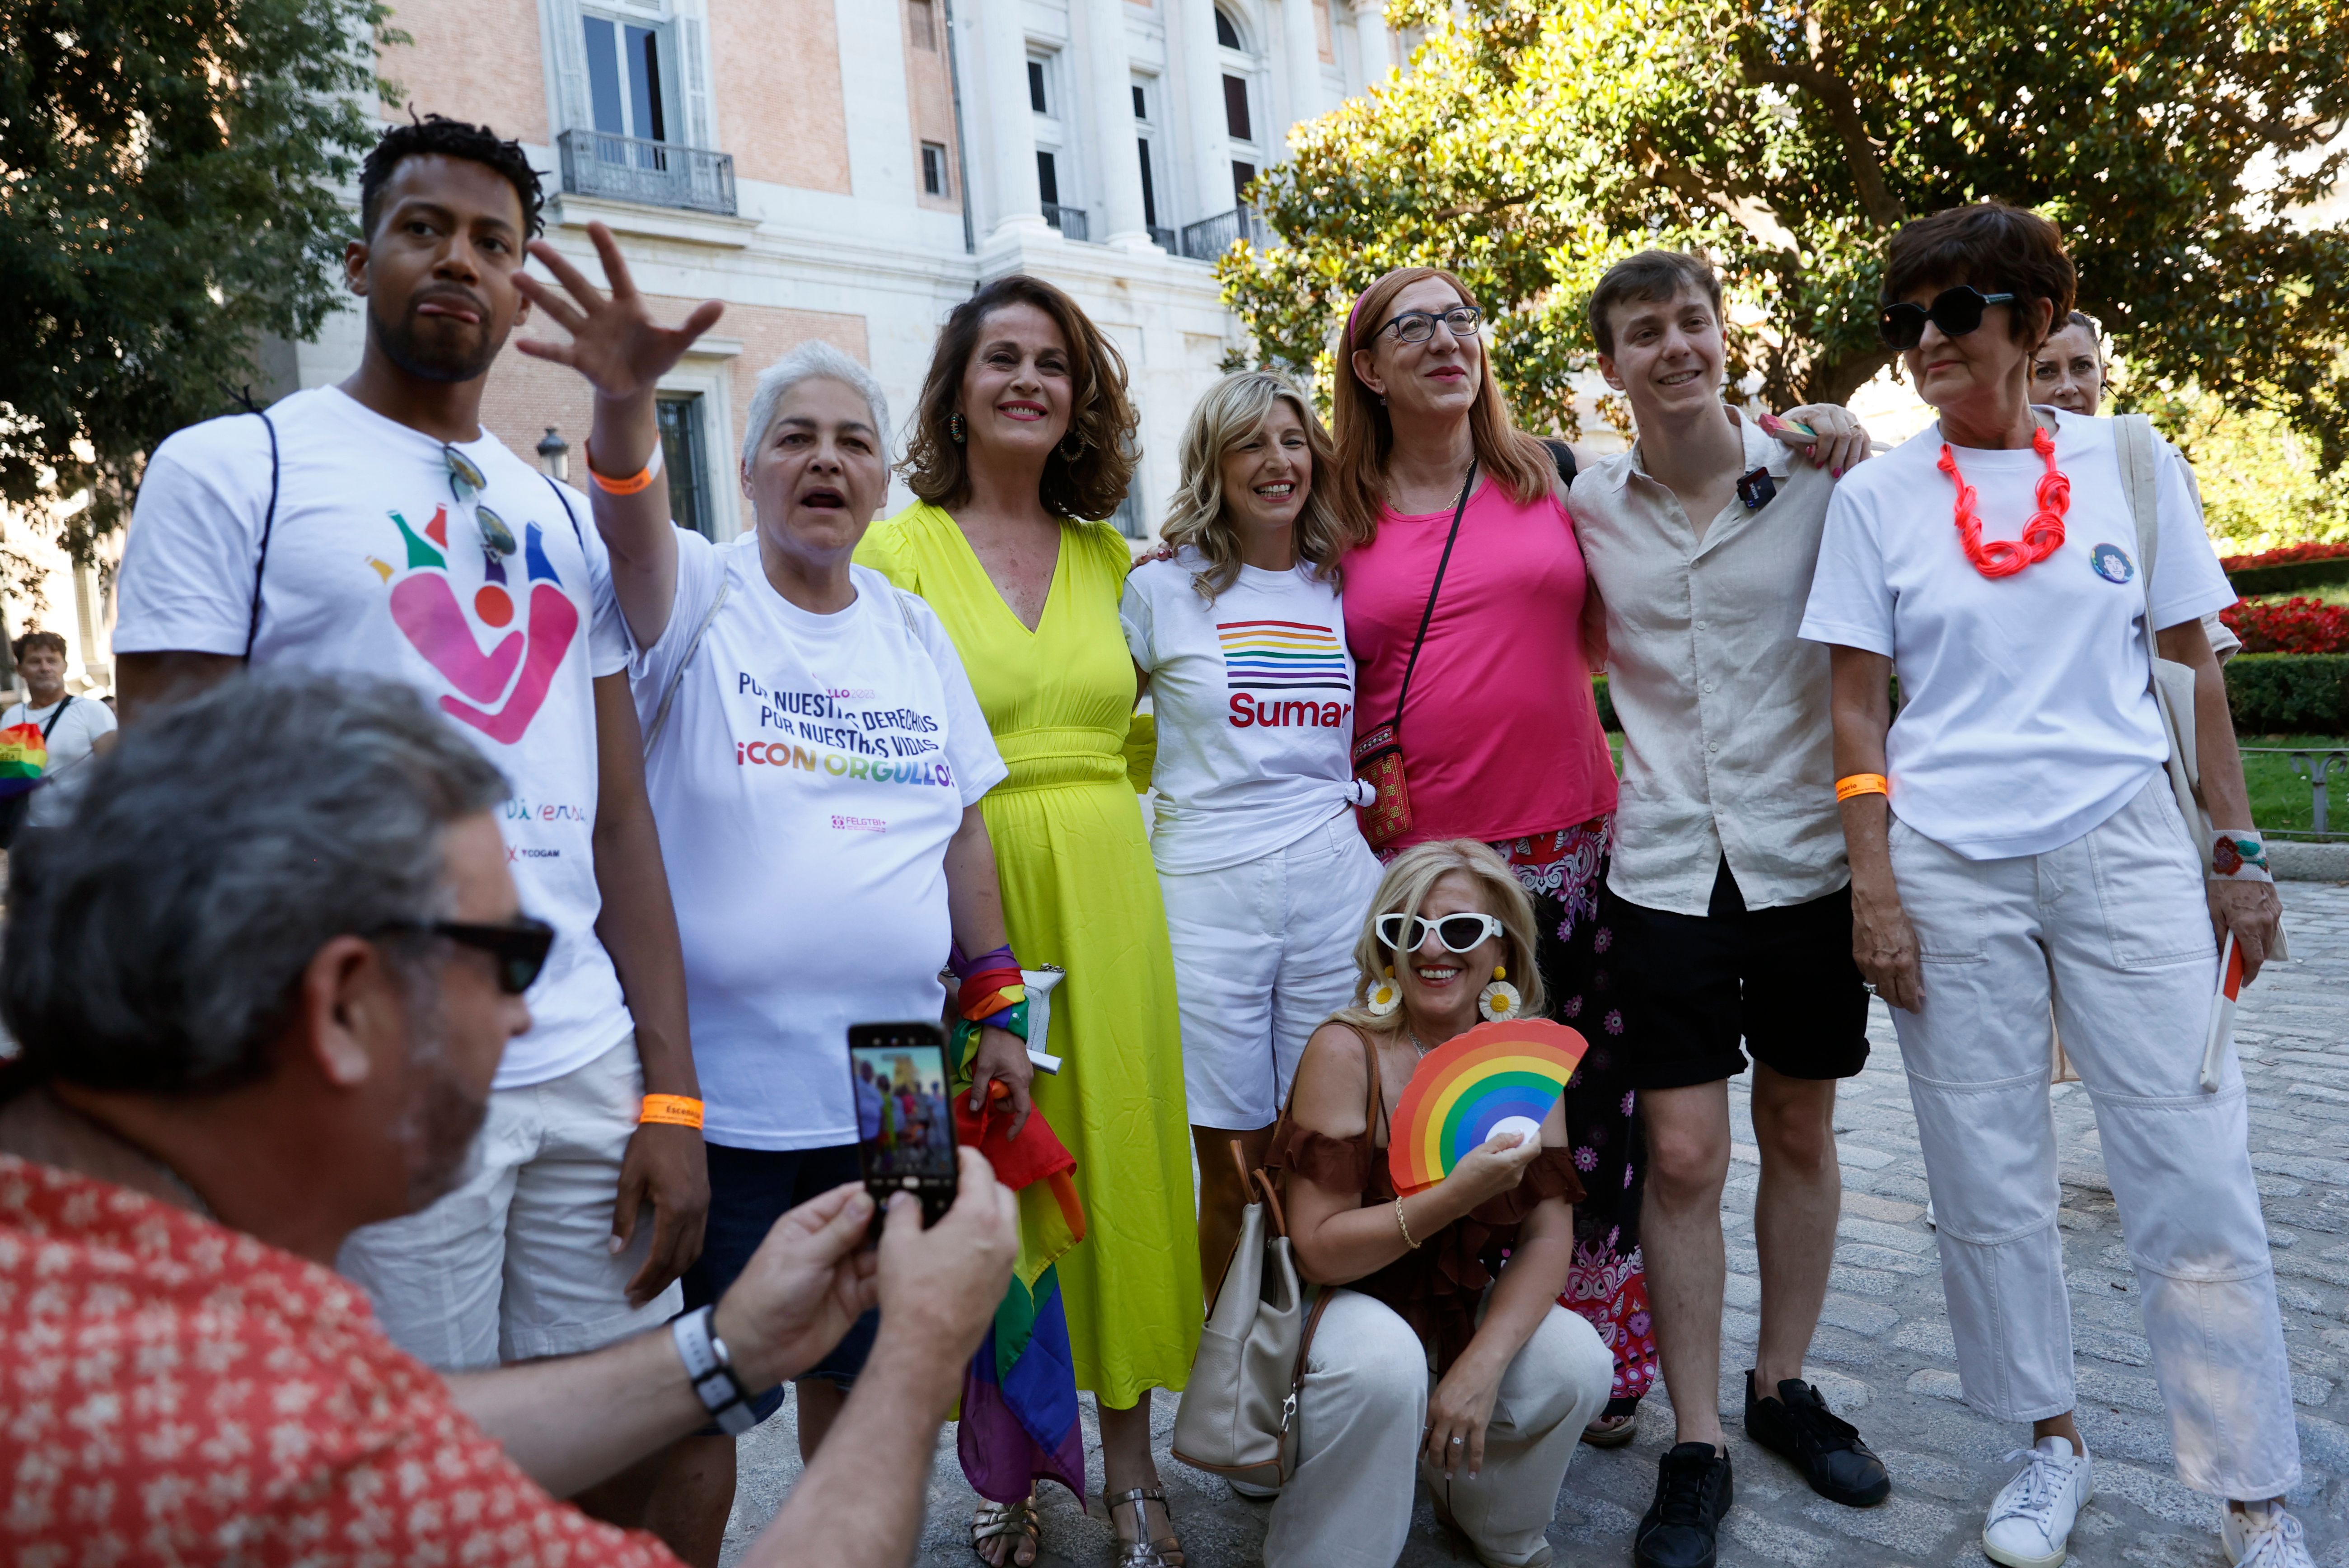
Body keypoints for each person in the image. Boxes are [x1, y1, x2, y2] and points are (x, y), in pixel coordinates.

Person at [0, 670, 1019, 1568]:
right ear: (345, 1006)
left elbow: (389, 1424)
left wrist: (731, 1346)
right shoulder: (211, 1429)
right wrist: (916, 1351)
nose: (524, 1015)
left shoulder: (104, 1264)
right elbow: (335, 1454)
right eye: (510, 960)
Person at [108, 116, 708, 1537]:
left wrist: (672, 1096)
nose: (458, 261)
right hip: (372, 1065)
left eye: (493, 243)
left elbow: (621, 821)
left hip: (582, 1061)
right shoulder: (235, 468)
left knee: (630, 1447)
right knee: (400, 1474)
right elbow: (174, 810)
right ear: (357, 256)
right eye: (424, 229)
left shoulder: (559, 510)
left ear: (520, 285)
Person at [1802, 201, 2312, 1568]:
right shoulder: (1872, 499)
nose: (1923, 341)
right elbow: (1853, 708)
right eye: (1902, 321)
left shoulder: (2130, 461)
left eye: (1951, 312)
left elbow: (2191, 670)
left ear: (2030, 320)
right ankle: (2048, 1442)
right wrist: (1871, 886)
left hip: (2120, 841)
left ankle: (2251, 1489)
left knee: (2190, 1163)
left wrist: (2237, 855)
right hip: (1944, 865)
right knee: (1983, 1170)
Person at [514, 237, 1033, 1559]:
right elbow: (628, 507)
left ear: (882, 479)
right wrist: (624, 403)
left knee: (876, 1372)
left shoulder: (910, 628)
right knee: (700, 1395)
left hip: (897, 1078)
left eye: (852, 443)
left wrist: (996, 1003)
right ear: (746, 473)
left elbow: (961, 824)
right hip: (721, 1095)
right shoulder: (697, 591)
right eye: (793, 438)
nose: (824, 461)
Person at [857, 274, 1201, 1567]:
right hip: (949, 898)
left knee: (1115, 1167)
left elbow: (1178, 731)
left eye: (1051, 363)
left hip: (1107, 900)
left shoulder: (1123, 565)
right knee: (954, 1178)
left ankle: (1130, 1463)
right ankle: (997, 1466)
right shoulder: (893, 555)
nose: (1027, 381)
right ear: (956, 391)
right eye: (1000, 358)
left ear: (1079, 397)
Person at [1568, 250, 1890, 1566]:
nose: (1672, 348)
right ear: (1609, 365)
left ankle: (1780, 1384)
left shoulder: (1819, 476)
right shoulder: (1585, 502)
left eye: (1689, 322)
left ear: (1721, 334)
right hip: (1660, 869)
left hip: (1803, 858)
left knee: (1798, 1125)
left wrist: (1842, 428)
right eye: (1642, 332)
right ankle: (1694, 1438)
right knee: (1685, 1155)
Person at [1329, 264, 1658, 1440]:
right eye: (1411, 326)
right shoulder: (1334, 511)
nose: (1445, 341)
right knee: (1440, 1117)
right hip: (1427, 875)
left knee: (1588, 1106)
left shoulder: (1548, 477)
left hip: (1571, 850)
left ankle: (1600, 1351)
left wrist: (1805, 432)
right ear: (1368, 367)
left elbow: (1693, 483)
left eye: (1459, 320)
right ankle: (1444, 1337)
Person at [1268, 839, 1613, 1568]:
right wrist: (1456, 1194)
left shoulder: (1519, 1058)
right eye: (1406, 929)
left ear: (1501, 949)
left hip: (1458, 1305)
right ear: (1384, 947)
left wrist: (1480, 1367)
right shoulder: (1345, 1050)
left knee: (1576, 1361)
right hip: (1343, 1305)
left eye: (1459, 929)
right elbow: (1319, 1250)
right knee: (1384, 1362)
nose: (1432, 949)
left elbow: (1547, 1237)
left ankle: (1489, 1513)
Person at [1123, 369, 1382, 1295]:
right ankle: (1229, 1360)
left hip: (1331, 887)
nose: (1277, 462)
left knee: (1323, 1148)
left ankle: (1320, 1348)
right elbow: (1098, 725)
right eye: (1250, 444)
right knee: (1231, 1164)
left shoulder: (1340, 581)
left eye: (1292, 440)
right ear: (1214, 465)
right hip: (1205, 896)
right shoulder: (1158, 589)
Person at [2033, 309, 2243, 663]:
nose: (2067, 387)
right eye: (2046, 371)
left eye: (2082, 367)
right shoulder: (1989, 471)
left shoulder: (2150, 463)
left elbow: (2198, 622)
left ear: (2103, 375)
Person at [2, 628, 117, 828]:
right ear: (20, 669)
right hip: (25, 834)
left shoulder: (93, 711)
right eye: (35, 661)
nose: (45, 668)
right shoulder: (11, 716)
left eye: (52, 661)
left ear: (65, 666)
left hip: (79, 832)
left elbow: (116, 773)